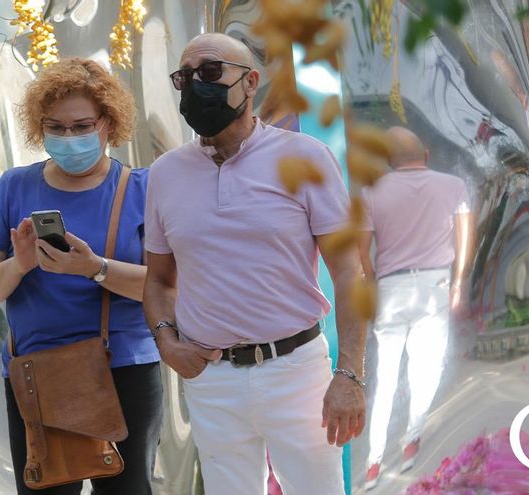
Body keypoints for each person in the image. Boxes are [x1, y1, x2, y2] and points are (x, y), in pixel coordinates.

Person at [143, 33, 366, 495]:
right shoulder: (165, 173)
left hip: (296, 370)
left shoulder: (305, 157)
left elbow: (349, 273)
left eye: (210, 72)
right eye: (185, 77)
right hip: (211, 378)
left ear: (250, 82)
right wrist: (167, 342)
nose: (196, 85)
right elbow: (160, 280)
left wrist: (349, 374)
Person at [0, 57, 162, 495]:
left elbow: (164, 286)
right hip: (37, 374)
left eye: (81, 126)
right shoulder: (15, 186)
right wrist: (19, 264)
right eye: (55, 127)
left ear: (108, 123)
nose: (69, 137)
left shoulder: (141, 188)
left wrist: (95, 268)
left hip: (123, 369)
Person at [357, 126, 471, 490]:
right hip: (434, 286)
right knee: (427, 368)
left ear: (389, 161)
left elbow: (362, 251)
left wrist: (374, 285)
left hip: (391, 287)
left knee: (386, 376)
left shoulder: (371, 192)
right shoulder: (453, 186)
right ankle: (412, 438)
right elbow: (465, 236)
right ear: (426, 153)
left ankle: (373, 462)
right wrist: (458, 281)